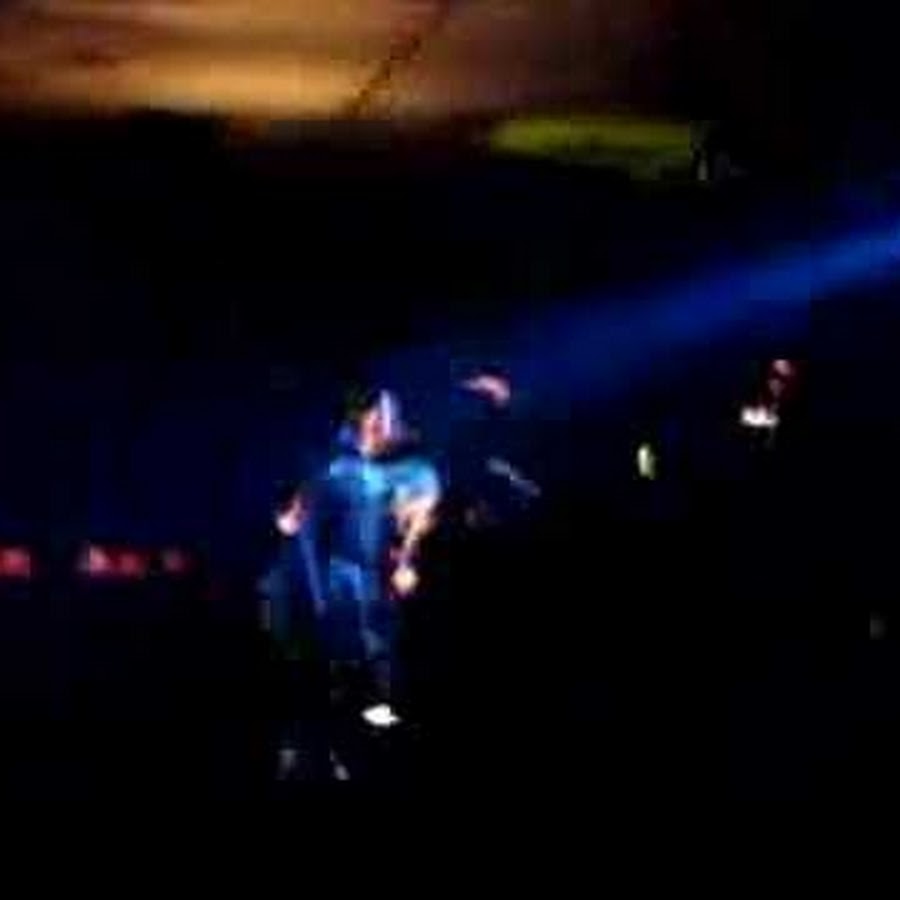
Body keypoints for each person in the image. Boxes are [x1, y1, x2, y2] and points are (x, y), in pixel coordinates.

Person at [273, 387, 441, 778]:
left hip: (369, 585)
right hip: (336, 586)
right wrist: (294, 514)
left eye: (390, 416)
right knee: (340, 665)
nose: (389, 423)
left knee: (372, 665)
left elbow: (415, 511)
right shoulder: (335, 466)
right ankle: (328, 746)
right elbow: (297, 515)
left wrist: (406, 556)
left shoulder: (398, 471)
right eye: (381, 416)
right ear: (366, 419)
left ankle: (367, 740)